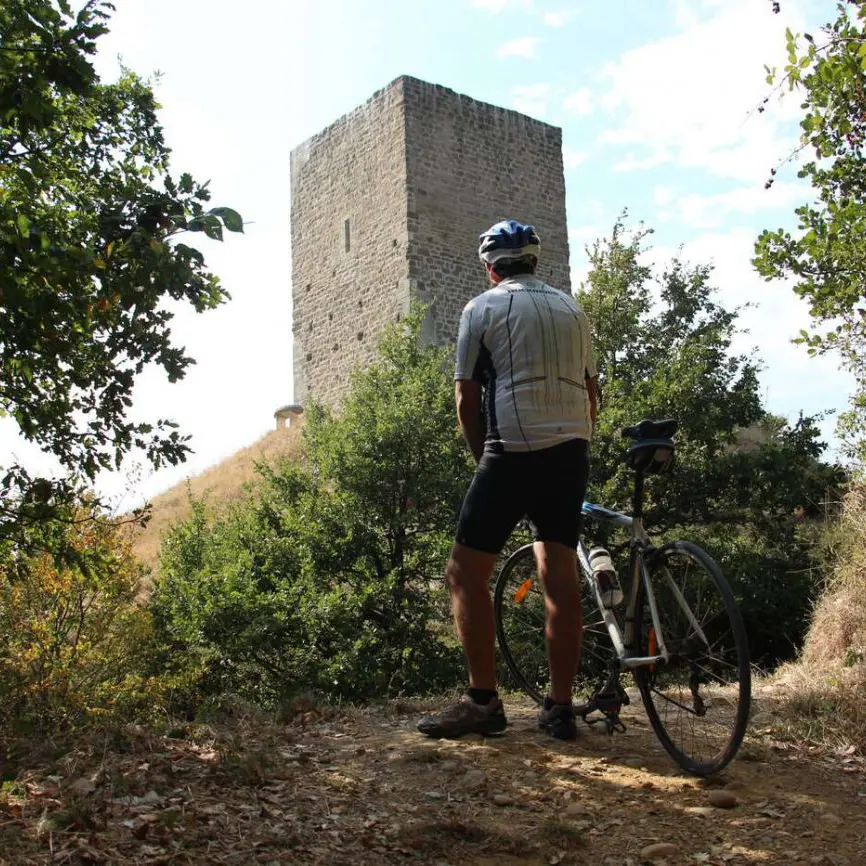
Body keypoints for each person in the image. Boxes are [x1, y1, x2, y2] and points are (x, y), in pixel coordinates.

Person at [417, 219, 598, 741]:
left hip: (511, 450)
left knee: (464, 574)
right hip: (570, 450)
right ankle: (559, 708)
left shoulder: (481, 308)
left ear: (490, 267)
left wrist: (484, 459)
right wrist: (576, 442)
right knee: (559, 580)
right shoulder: (573, 310)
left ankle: (483, 702)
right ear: (536, 262)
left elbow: (465, 399)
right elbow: (591, 392)